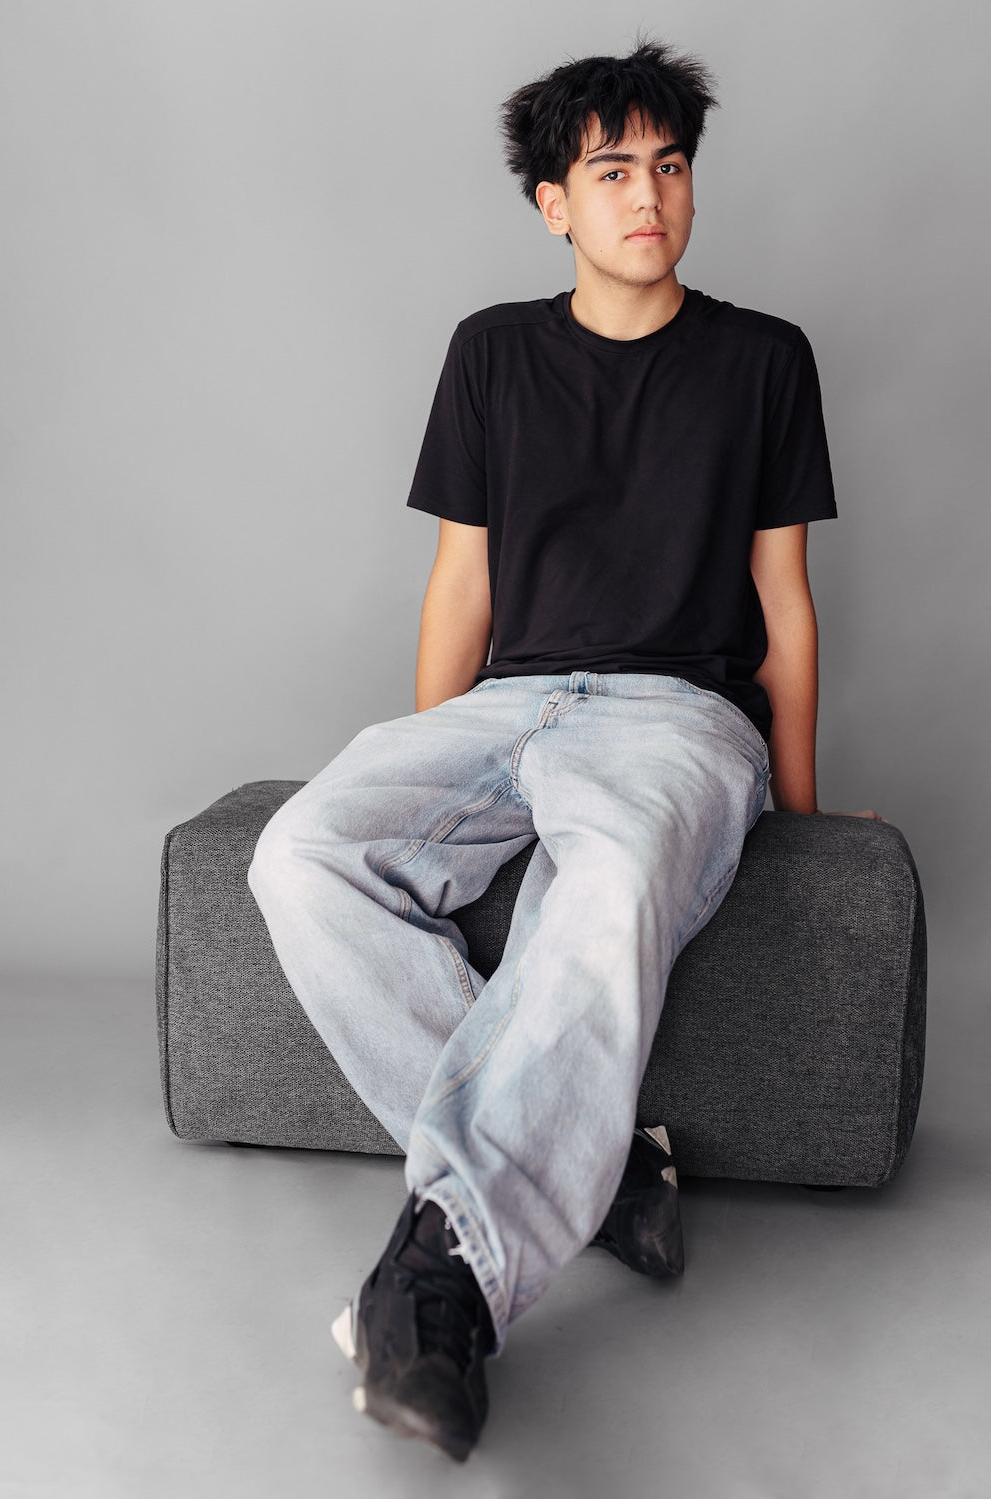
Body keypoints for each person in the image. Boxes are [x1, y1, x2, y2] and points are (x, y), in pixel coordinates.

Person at [248, 39, 865, 1462]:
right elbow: (460, 586)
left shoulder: (765, 360)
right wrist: (424, 754)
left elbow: (783, 606)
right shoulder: (490, 352)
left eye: (670, 166)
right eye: (612, 171)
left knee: (607, 885)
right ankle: (609, 1172)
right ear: (553, 205)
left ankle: (441, 1284)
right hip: (505, 706)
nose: (649, 195)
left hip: (678, 716)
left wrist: (805, 818)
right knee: (300, 853)